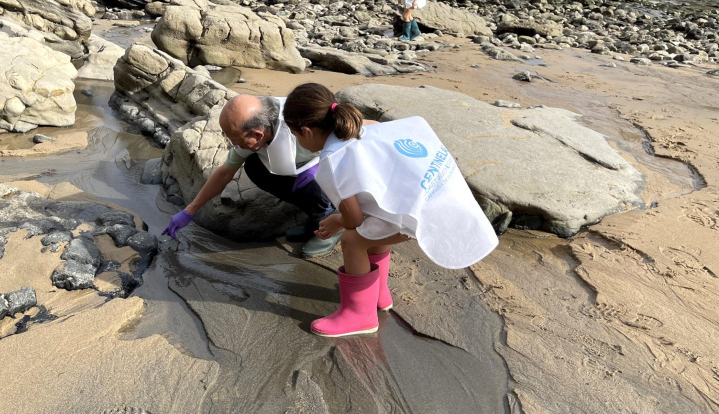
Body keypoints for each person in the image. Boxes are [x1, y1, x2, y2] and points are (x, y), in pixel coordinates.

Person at [283, 83, 499, 338]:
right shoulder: (364, 126)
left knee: (353, 240)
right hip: (444, 196)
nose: (297, 141)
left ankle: (359, 315)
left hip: (421, 215)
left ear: (306, 131)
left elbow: (354, 219)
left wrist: (336, 221)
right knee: (374, 224)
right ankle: (378, 294)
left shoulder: (331, 162)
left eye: (295, 135)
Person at [161, 94, 342, 256]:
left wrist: (317, 165)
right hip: (297, 166)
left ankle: (332, 223)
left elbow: (346, 151)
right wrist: (189, 211)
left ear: (257, 134)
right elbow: (225, 173)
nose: (234, 145)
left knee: (314, 187)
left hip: (334, 169)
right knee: (254, 168)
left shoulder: (302, 123)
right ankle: (313, 218)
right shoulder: (258, 125)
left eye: (236, 140)